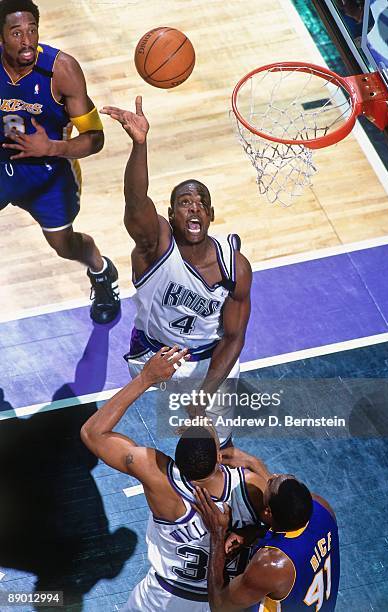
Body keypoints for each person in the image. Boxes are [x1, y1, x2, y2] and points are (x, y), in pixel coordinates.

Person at [100, 96, 252, 446]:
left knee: (215, 445)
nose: (194, 207)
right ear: (171, 215)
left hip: (206, 360)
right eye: (185, 203)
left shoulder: (235, 268)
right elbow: (136, 202)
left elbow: (234, 338)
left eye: (201, 203)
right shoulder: (155, 247)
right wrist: (140, 145)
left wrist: (202, 397)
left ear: (211, 215)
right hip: (154, 353)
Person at [80, 347, 265, 612]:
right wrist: (250, 531)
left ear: (177, 460)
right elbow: (289, 522)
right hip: (225, 601)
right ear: (218, 457)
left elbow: (92, 433)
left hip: (161, 601)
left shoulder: (158, 476)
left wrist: (146, 378)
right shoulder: (252, 486)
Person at [0, 0, 120, 323]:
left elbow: (96, 138)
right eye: (16, 33)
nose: (27, 41)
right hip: (3, 163)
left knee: (64, 246)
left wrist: (51, 147)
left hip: (49, 174)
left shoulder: (62, 70)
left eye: (32, 30)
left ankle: (101, 269)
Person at [194, 447, 340, 612]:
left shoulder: (269, 564)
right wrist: (253, 463)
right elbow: (299, 542)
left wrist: (218, 534)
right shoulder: (322, 508)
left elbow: (220, 605)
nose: (273, 476)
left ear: (268, 512)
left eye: (271, 482)